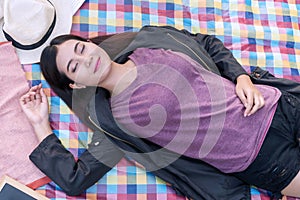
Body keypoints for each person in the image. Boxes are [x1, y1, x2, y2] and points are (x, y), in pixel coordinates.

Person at [20, 25, 300, 199]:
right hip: (263, 160)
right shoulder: (112, 122)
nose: (86, 59)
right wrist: (40, 124)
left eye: (81, 49)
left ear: (91, 43)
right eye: (74, 66)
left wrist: (241, 77)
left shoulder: (148, 41)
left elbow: (206, 42)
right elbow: (76, 179)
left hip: (277, 105)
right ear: (76, 83)